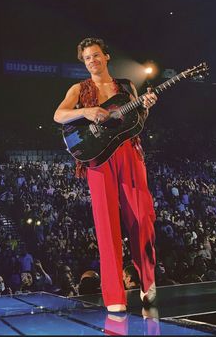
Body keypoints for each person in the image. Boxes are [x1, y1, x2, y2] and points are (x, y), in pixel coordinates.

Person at [54, 37, 157, 312]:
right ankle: (114, 296)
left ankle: (147, 282)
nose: (92, 61)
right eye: (87, 58)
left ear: (106, 56)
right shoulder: (79, 88)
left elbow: (137, 122)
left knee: (143, 217)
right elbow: (58, 115)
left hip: (128, 153)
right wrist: (87, 111)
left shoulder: (126, 86)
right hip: (99, 161)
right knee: (106, 226)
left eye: (96, 55)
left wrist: (145, 105)